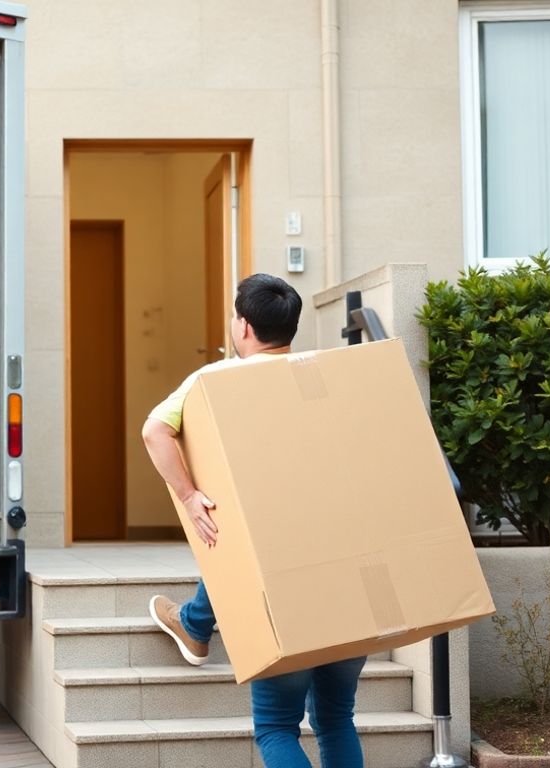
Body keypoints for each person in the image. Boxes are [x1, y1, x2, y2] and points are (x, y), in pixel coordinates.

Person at [142, 273, 366, 768]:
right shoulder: (325, 378)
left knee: (277, 727)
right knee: (336, 720)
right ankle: (195, 622)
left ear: (243, 327)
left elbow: (155, 431)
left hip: (280, 589)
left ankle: (195, 625)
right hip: (348, 578)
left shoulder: (215, 380)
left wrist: (189, 495)